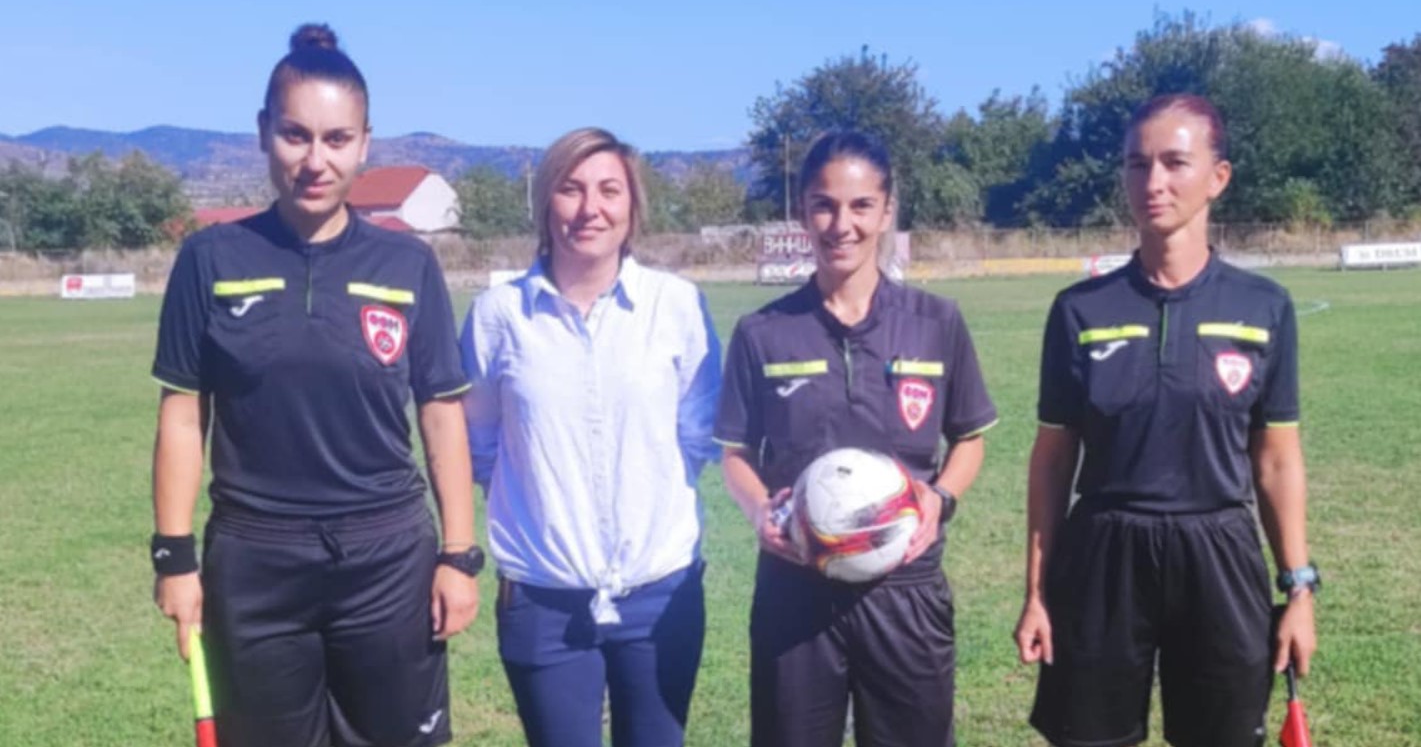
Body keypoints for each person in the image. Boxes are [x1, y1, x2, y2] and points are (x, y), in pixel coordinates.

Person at [150, 23, 480, 747]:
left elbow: (441, 414)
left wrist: (458, 556)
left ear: (364, 144)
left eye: (337, 139)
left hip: (386, 559)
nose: (315, 160)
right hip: (254, 560)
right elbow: (181, 415)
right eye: (295, 135)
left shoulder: (407, 265)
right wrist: (174, 557)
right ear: (263, 132)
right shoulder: (210, 258)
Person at [1013, 93, 1319, 747]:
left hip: (1218, 550)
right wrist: (1036, 592)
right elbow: (1052, 461)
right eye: (1137, 164)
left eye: (1175, 163)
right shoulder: (1079, 310)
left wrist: (1298, 590)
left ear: (1217, 177)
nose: (1152, 182)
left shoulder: (1264, 306)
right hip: (1103, 553)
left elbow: (1275, 461)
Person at [715, 130, 998, 747]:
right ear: (802, 213)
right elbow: (735, 454)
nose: (841, 225)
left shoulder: (937, 322)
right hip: (795, 588)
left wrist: (940, 497)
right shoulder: (762, 331)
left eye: (861, 205)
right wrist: (759, 510)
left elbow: (970, 438)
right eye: (824, 205)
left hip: (905, 588)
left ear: (887, 210)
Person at [458, 127, 721, 747]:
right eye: (570, 189)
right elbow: (479, 443)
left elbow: (697, 433)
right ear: (545, 202)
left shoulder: (676, 305)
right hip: (543, 599)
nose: (590, 208)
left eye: (609, 190)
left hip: (660, 592)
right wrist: (545, 507)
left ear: (633, 206)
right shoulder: (498, 315)